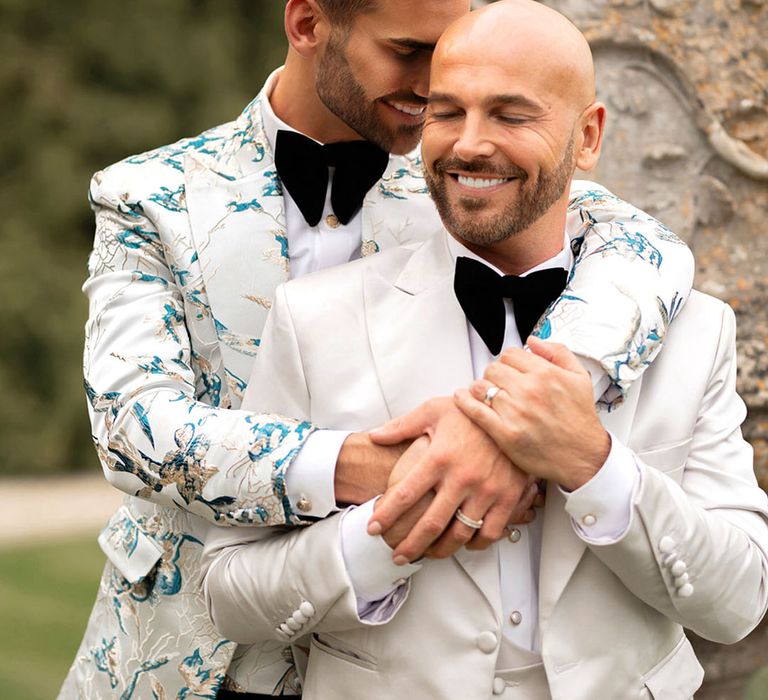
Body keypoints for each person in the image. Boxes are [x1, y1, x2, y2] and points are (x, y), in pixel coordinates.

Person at [62, 0, 696, 698]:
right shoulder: (149, 196)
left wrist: (530, 407)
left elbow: (652, 250)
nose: (436, 83)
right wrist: (372, 467)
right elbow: (131, 426)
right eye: (409, 50)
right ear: (307, 25)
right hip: (187, 653)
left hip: (401, 658)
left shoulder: (471, 177)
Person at [201, 1, 768, 698]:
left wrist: (594, 468)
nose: (469, 144)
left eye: (510, 114)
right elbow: (229, 594)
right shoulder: (314, 318)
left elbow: (739, 602)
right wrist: (398, 524)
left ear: (587, 136)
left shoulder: (692, 331)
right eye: (446, 112)